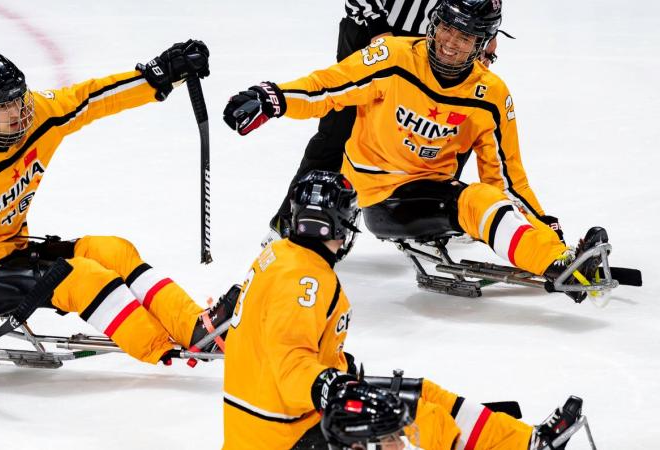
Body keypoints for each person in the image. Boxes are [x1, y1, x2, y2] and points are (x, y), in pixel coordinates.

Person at [223, 0, 607, 303]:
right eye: (446, 27)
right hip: (372, 196)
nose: (450, 42)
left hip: (430, 193)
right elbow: (327, 86)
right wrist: (270, 98)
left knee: (481, 199)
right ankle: (284, 237)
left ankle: (556, 265)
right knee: (325, 158)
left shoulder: (491, 95)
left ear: (484, 43)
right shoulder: (392, 57)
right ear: (434, 21)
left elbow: (507, 178)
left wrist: (547, 235)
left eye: (465, 37)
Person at [0, 42, 236, 378]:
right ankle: (163, 349)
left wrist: (158, 77)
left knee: (113, 250)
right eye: (1, 107)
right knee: (83, 277)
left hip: (10, 250)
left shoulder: (36, 115)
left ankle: (196, 328)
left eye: (18, 100)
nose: (16, 114)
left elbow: (92, 98)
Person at [221, 170, 589, 450]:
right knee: (408, 412)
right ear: (343, 226)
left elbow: (272, 348)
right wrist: (330, 386)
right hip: (282, 433)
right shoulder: (307, 280)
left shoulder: (280, 255)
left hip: (262, 422)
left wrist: (338, 373)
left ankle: (523, 441)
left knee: (417, 393)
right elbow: (289, 364)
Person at [268, 0, 502, 239]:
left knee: (450, 129)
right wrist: (378, 28)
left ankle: (428, 220)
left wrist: (486, 38)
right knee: (339, 130)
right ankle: (290, 221)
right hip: (375, 31)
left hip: (441, 37)